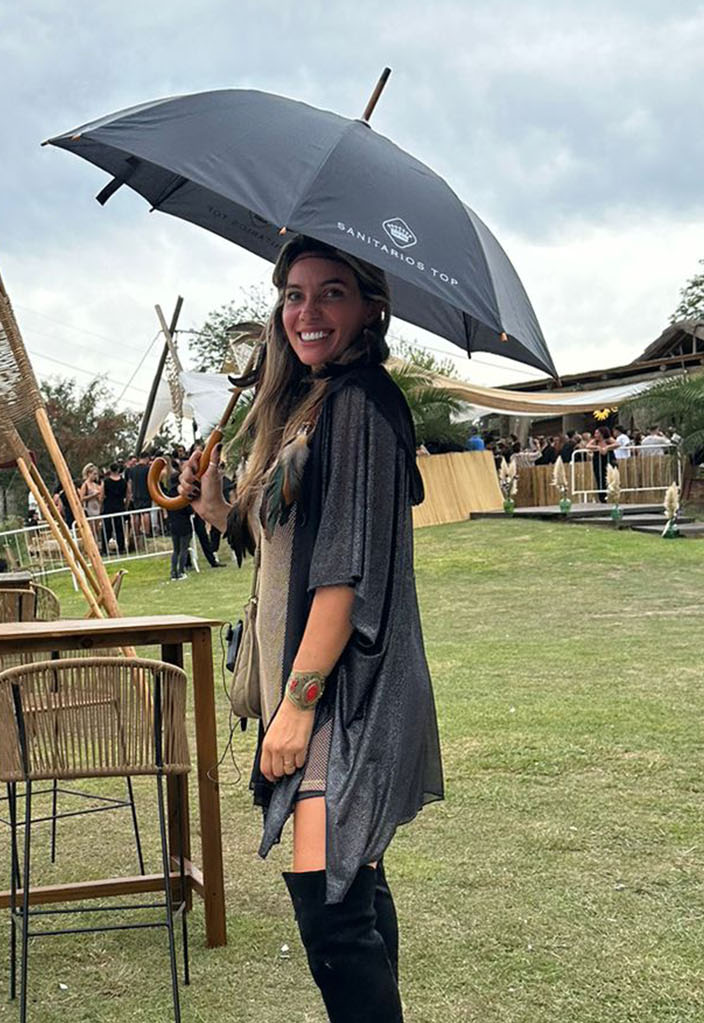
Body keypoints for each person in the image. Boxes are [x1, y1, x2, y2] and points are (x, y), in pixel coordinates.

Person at [182, 235, 441, 1022]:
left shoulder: (359, 405)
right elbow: (284, 553)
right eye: (294, 294)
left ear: (371, 306)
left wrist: (296, 703)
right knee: (353, 888)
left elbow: (342, 575)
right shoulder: (313, 404)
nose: (308, 311)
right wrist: (218, 505)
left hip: (345, 691)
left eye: (332, 292)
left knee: (331, 913)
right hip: (331, 686)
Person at [163, 460, 192, 580]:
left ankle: (173, 572)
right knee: (184, 549)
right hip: (184, 524)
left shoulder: (168, 495)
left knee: (176, 550)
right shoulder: (182, 496)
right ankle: (181, 571)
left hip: (173, 524)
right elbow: (189, 510)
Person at [100, 461, 130, 554]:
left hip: (108, 506)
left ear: (110, 470)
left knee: (106, 528)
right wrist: (125, 506)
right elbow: (128, 495)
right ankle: (121, 548)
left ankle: (105, 548)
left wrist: (101, 507)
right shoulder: (124, 482)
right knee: (119, 528)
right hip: (119, 506)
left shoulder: (106, 482)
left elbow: (101, 496)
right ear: (118, 470)